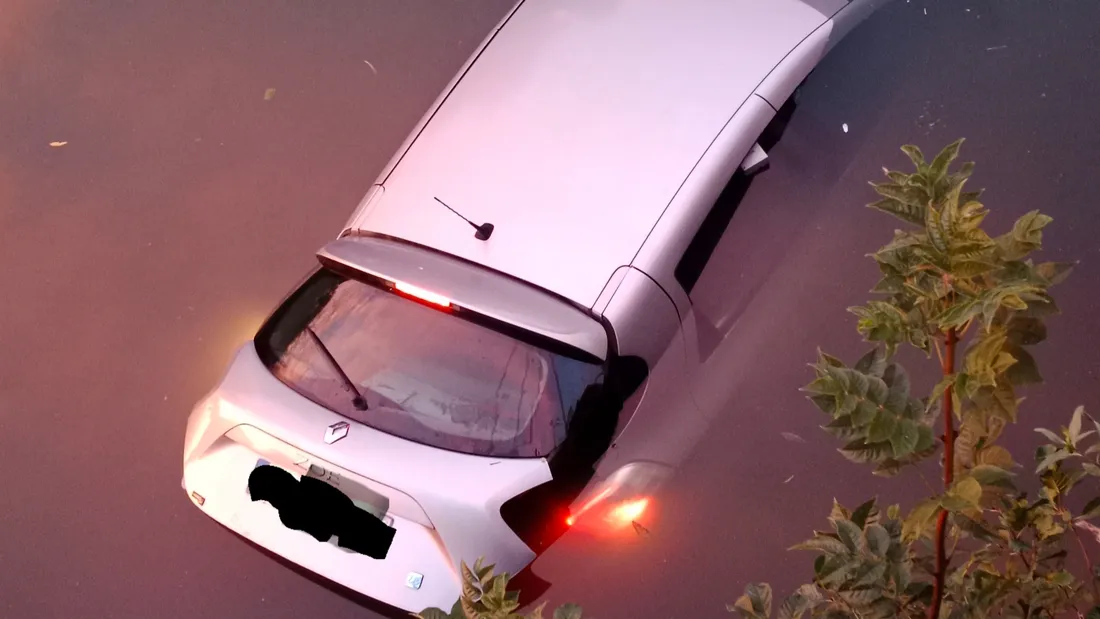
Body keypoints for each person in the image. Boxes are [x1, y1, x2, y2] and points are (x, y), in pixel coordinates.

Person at [247, 464, 395, 559]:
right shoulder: (310, 484)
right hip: (362, 520)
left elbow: (322, 535)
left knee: (388, 553)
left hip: (354, 536)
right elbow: (342, 500)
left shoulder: (289, 515)